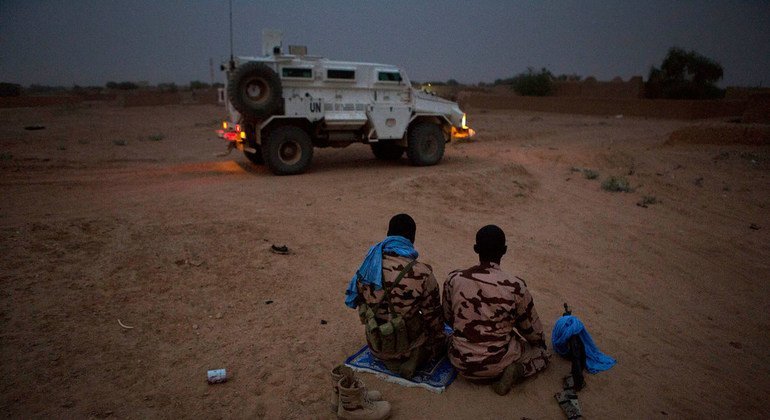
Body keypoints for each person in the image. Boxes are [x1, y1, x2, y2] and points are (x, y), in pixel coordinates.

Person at [442, 225, 549, 395]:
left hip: (460, 362)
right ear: (504, 250)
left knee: (445, 338)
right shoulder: (516, 287)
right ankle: (518, 370)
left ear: (476, 249)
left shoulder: (454, 279)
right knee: (543, 353)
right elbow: (533, 333)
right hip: (498, 364)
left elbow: (448, 318)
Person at [345, 214, 445, 379]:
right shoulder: (422, 273)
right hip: (408, 348)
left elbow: (358, 300)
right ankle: (416, 358)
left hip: (376, 345)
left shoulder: (369, 264)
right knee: (442, 339)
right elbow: (434, 320)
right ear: (412, 238)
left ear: (389, 235)